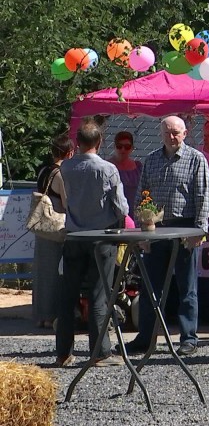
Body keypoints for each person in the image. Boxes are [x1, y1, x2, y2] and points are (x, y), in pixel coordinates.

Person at [124, 115, 209, 357]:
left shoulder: (196, 160)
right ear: (161, 134)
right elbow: (142, 195)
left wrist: (199, 230)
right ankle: (146, 337)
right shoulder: (151, 160)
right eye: (167, 133)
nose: (171, 137)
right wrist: (142, 230)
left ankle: (188, 338)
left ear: (185, 134)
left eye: (176, 132)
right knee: (151, 286)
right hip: (156, 229)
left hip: (186, 228)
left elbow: (203, 196)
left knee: (187, 286)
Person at [55, 121, 129, 367]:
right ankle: (99, 352)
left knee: (68, 296)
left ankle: (63, 353)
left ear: (77, 143)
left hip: (74, 236)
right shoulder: (108, 169)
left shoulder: (66, 166)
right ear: (100, 142)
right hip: (101, 236)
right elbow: (120, 206)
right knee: (99, 296)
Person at [32, 134, 73, 329]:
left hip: (41, 228)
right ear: (69, 152)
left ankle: (40, 315)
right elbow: (66, 203)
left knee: (41, 271)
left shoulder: (43, 171)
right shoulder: (60, 174)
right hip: (55, 228)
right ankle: (50, 315)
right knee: (56, 273)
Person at [108, 131, 142, 219]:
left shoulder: (138, 167)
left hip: (136, 212)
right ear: (114, 147)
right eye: (119, 146)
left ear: (132, 148)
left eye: (127, 147)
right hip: (113, 213)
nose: (123, 150)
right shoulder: (107, 167)